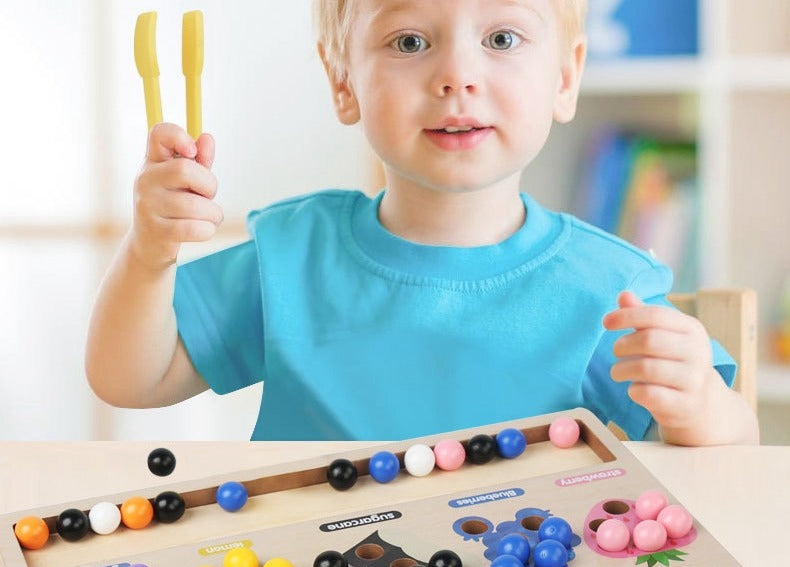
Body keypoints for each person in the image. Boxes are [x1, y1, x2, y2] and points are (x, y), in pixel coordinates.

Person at [85, 0, 758, 445]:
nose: (457, 74)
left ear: (564, 77)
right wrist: (149, 254)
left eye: (501, 38)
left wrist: (700, 404)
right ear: (342, 80)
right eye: (410, 40)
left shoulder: (606, 290)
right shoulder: (292, 256)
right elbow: (129, 379)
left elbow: (735, 453)